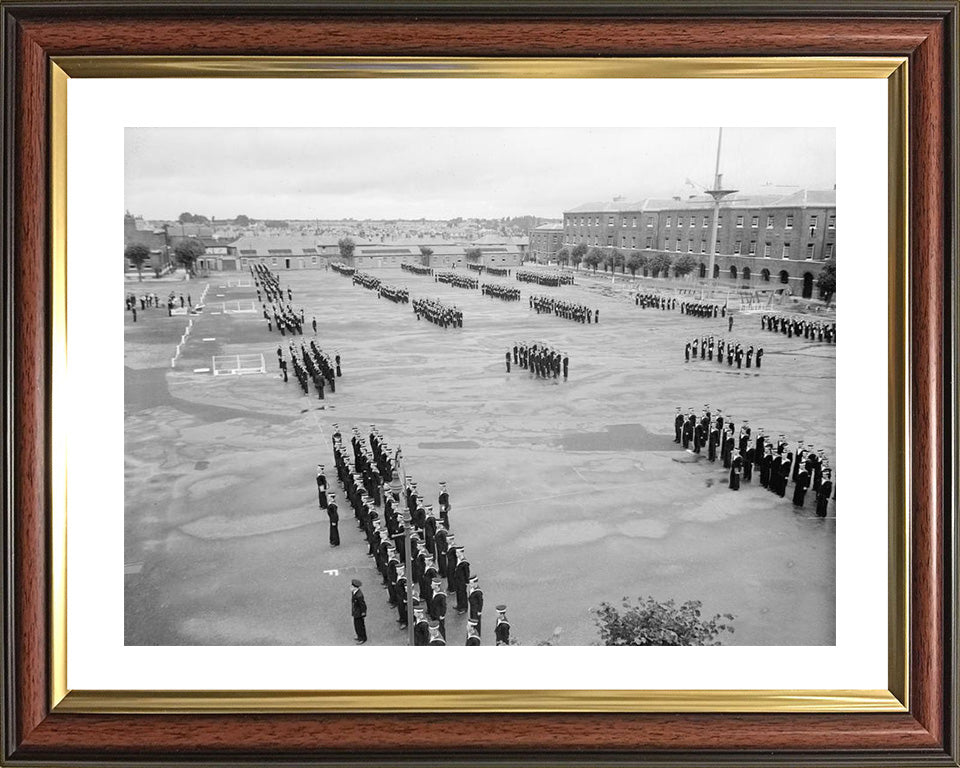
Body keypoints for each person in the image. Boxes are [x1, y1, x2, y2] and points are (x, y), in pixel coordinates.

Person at [351, 579, 367, 644]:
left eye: (351, 586)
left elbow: (363, 605)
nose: (350, 587)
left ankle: (362, 638)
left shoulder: (359, 595)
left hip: (359, 613)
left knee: (360, 626)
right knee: (356, 626)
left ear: (355, 587)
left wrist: (363, 613)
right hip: (356, 612)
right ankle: (359, 636)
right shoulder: (354, 592)